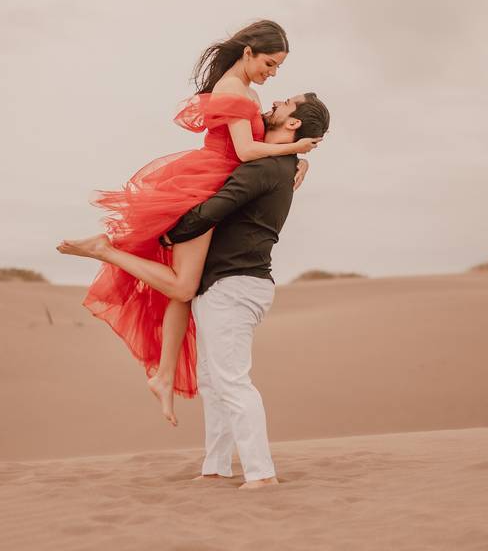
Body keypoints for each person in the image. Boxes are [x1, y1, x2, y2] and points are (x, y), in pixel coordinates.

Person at [58, 93, 331, 489]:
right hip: (227, 285)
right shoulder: (278, 165)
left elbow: (213, 209)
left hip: (235, 285)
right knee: (213, 380)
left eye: (286, 103)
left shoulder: (265, 169)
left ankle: (261, 474)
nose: (275, 101)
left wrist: (168, 234)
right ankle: (216, 466)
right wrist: (301, 159)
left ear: (293, 124)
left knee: (232, 381)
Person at [56, 20, 321, 427]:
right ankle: (103, 249)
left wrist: (295, 159)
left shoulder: (246, 91)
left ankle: (163, 375)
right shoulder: (234, 90)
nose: (273, 74)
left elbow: (258, 147)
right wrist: (299, 149)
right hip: (204, 187)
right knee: (182, 285)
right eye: (270, 63)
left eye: (278, 68)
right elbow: (246, 150)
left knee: (184, 290)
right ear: (248, 52)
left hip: (215, 182)